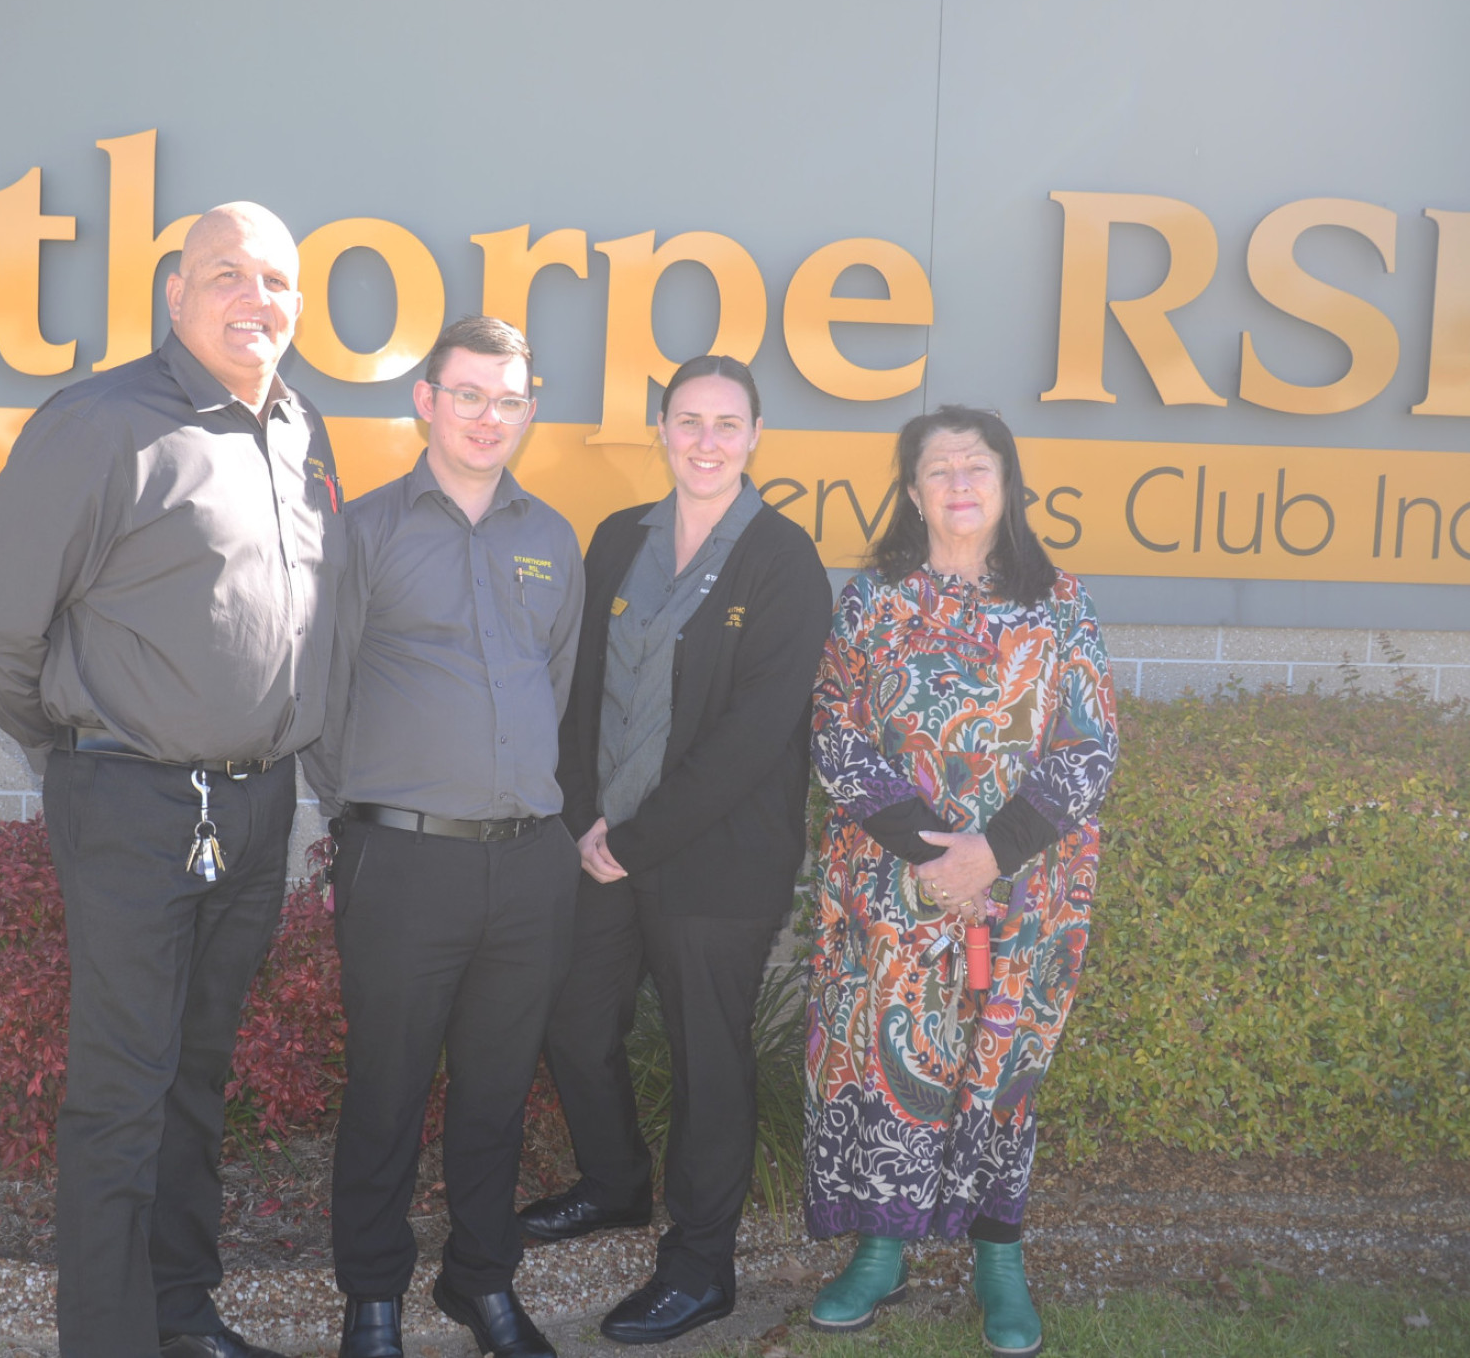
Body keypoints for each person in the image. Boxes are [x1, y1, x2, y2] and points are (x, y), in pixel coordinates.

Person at [0, 203, 343, 1358]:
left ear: (299, 308)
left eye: (275, 280)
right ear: (173, 291)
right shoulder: (97, 423)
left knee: (197, 1075)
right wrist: (77, 751)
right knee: (123, 1088)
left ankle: (181, 1309)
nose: (253, 299)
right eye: (226, 273)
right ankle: (111, 1339)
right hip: (130, 804)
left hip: (257, 804)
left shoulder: (295, 428)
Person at [517, 355, 831, 1342]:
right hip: (602, 842)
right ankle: (612, 1182)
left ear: (753, 436)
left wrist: (637, 840)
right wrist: (579, 818)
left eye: (724, 423)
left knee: (707, 1060)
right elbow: (571, 689)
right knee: (571, 1018)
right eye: (686, 420)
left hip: (713, 860)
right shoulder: (618, 540)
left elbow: (753, 735)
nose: (704, 440)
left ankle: (701, 1266)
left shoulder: (782, 559)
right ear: (660, 428)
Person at [801, 406, 1116, 1358]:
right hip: (894, 889)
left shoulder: (1059, 600)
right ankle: (881, 1247)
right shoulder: (871, 601)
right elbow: (836, 733)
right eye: (938, 469)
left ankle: (998, 1262)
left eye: (977, 465)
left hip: (1027, 893)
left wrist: (994, 852)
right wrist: (932, 851)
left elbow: (1090, 744)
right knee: (883, 1061)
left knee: (999, 1071)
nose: (960, 483)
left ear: (1009, 481)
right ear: (912, 492)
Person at [303, 316, 585, 1358]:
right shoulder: (366, 531)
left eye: (506, 399)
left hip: (527, 868)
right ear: (424, 400)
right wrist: (373, 817)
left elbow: (552, 690)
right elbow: (320, 699)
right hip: (403, 862)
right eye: (466, 394)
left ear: (528, 408)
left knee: (497, 1093)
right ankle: (370, 1296)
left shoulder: (550, 540)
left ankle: (479, 1282)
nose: (486, 417)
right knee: (385, 1087)